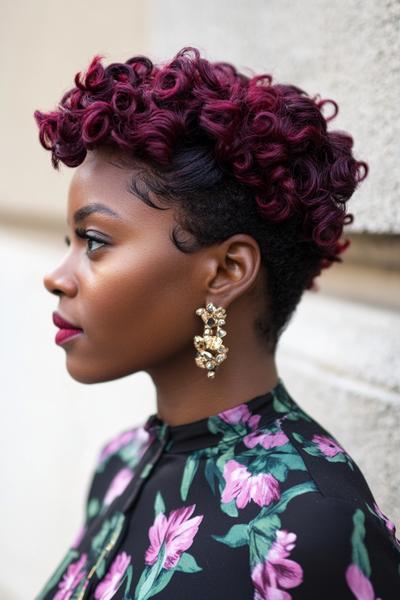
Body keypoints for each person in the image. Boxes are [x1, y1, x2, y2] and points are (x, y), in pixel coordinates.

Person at [33, 46, 400, 599]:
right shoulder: (122, 462)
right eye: (70, 241)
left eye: (95, 242)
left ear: (228, 270)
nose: (57, 277)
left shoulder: (317, 524)